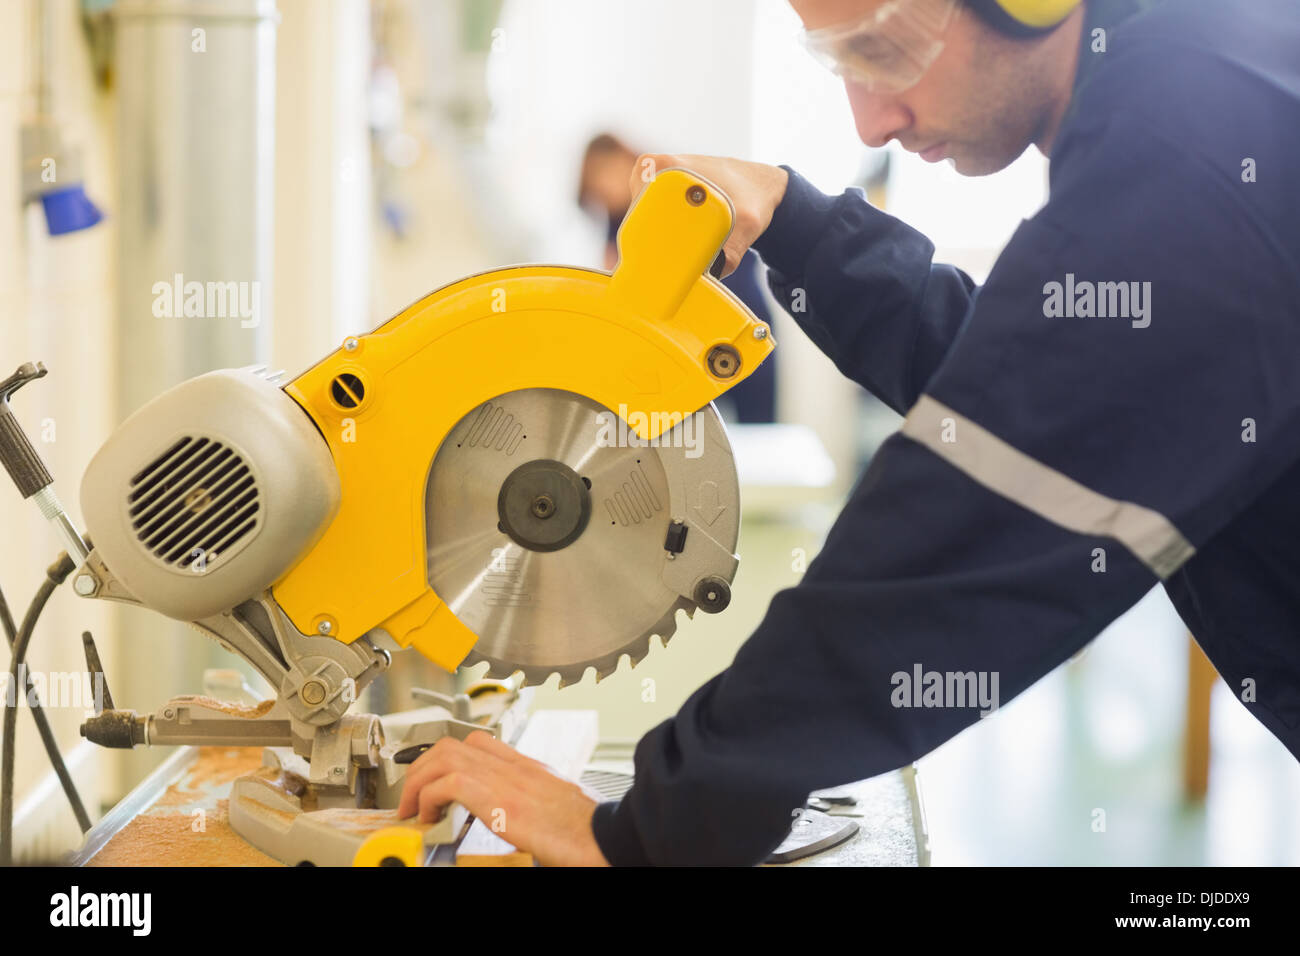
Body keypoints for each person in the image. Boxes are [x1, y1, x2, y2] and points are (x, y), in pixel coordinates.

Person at [399, 0, 1300, 865]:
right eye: (838, 65)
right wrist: (799, 224)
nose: (870, 122)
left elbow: (987, 498)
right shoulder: (1203, 74)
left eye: (881, 50)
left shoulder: (1200, 126)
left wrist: (647, 831)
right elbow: (1049, 392)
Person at [578, 132, 779, 423]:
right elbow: (614, 282)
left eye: (605, 174)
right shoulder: (617, 219)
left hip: (741, 314)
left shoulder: (677, 191)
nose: (604, 189)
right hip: (686, 336)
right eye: (596, 187)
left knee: (758, 422)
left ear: (625, 159)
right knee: (695, 429)